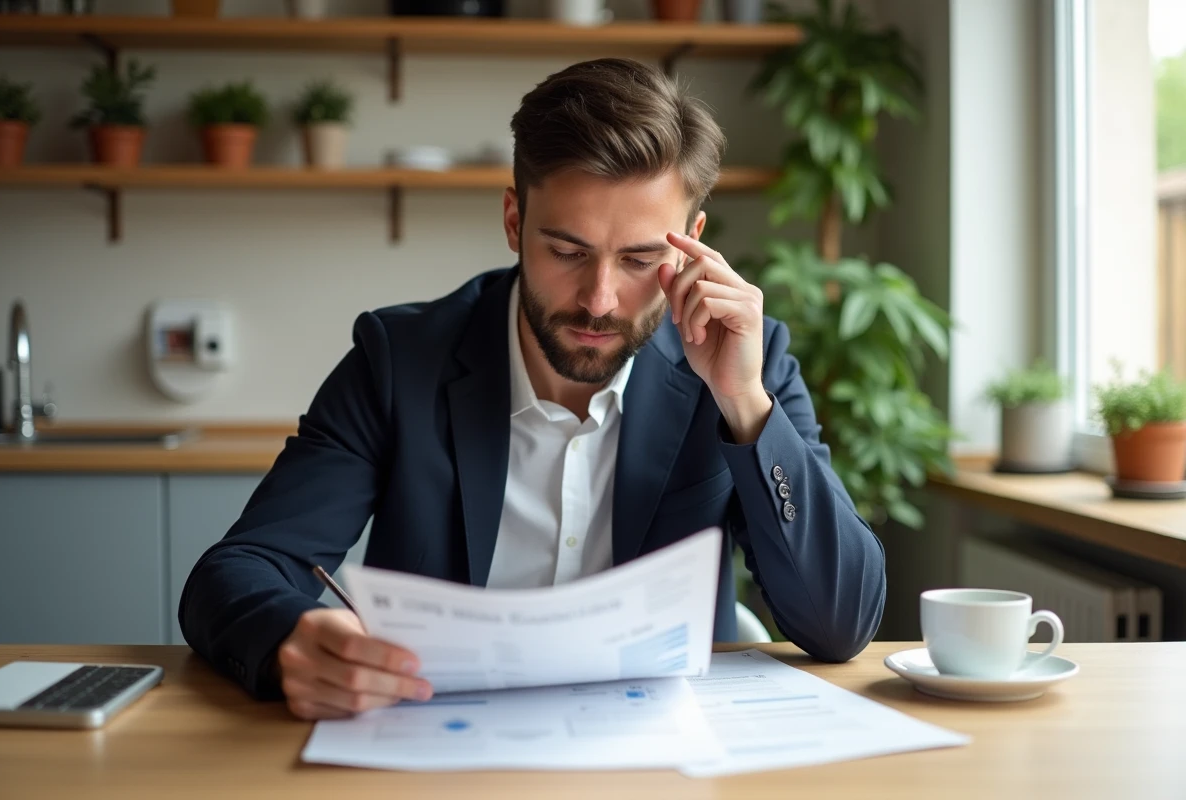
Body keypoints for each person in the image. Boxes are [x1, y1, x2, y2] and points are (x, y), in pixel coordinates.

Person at [179, 57, 886, 721]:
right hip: (436, 747)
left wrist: (744, 407)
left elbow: (841, 624)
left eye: (640, 259)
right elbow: (238, 570)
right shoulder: (399, 361)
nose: (600, 299)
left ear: (691, 244)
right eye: (568, 251)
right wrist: (288, 638)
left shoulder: (744, 364)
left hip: (662, 761)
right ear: (515, 220)